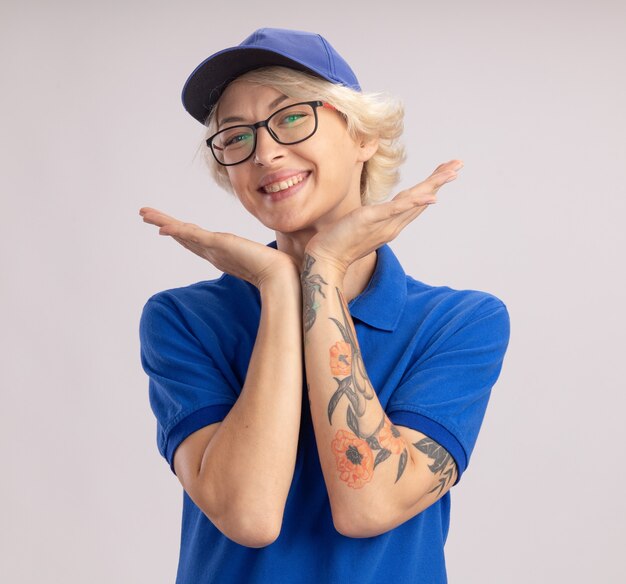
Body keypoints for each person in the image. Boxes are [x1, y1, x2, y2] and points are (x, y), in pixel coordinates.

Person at [139, 28, 510, 584]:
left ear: (363, 135)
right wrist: (279, 286)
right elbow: (249, 515)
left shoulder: (460, 324)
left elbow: (369, 507)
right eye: (236, 136)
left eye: (290, 117)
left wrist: (325, 272)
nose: (264, 152)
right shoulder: (184, 321)